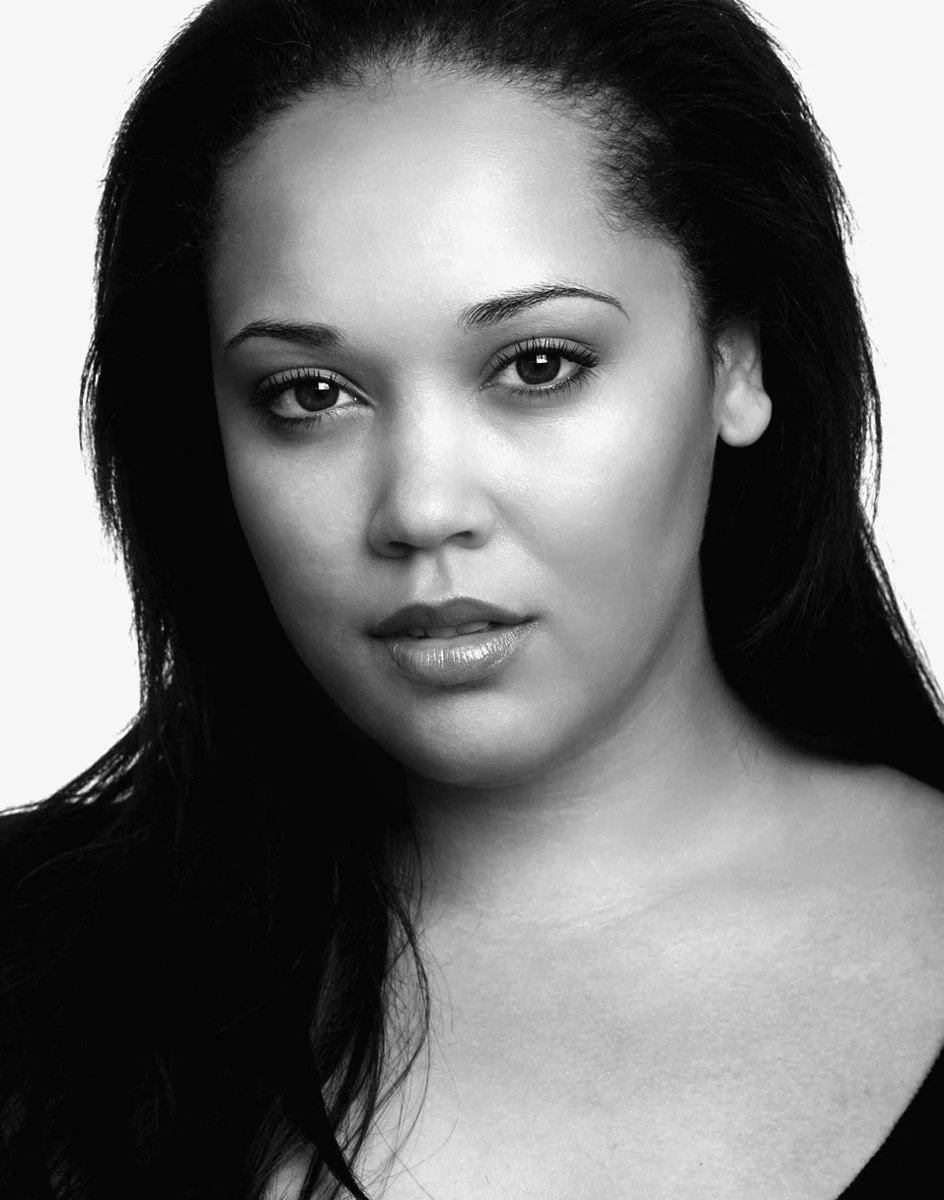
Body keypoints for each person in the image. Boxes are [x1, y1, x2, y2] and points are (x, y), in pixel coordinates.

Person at [2, 0, 943, 1197]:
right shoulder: (32, 972)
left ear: (733, 360)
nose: (421, 506)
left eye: (537, 366)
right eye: (308, 394)